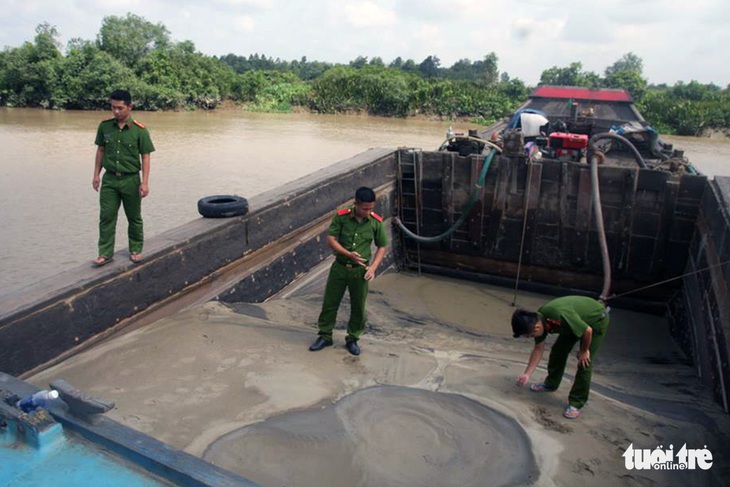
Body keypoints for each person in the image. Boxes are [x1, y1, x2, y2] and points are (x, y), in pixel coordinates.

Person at [309, 187, 388, 356]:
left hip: (360, 271)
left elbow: (382, 246)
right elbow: (331, 239)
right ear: (356, 204)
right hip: (340, 267)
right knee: (330, 303)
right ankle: (325, 336)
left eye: (371, 208)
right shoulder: (341, 216)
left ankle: (353, 338)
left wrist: (373, 268)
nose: (368, 212)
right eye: (365, 208)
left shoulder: (375, 222)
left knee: (358, 306)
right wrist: (348, 254)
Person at [511, 296, 610, 419]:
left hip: (595, 322)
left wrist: (584, 351)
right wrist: (527, 374)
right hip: (572, 324)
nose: (531, 337)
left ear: (536, 328)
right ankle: (551, 383)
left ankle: (576, 402)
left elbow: (587, 330)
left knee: (584, 362)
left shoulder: (557, 314)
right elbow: (538, 348)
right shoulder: (538, 320)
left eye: (530, 336)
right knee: (558, 351)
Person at [91, 89, 155, 266]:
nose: (116, 112)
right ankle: (105, 253)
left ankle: (135, 249)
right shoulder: (105, 127)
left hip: (131, 180)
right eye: (113, 108)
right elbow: (100, 150)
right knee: (106, 216)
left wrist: (145, 182)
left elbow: (146, 156)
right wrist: (96, 174)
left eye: (120, 108)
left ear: (129, 107)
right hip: (110, 180)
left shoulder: (140, 131)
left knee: (134, 217)